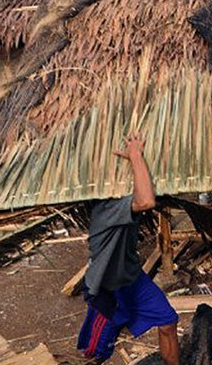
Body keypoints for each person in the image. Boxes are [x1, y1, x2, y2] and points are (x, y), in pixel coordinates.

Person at [77, 134, 180, 364]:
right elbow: (146, 201)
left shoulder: (120, 200)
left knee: (168, 321)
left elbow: (147, 194)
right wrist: (135, 155)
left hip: (133, 280)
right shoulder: (105, 209)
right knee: (97, 351)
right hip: (107, 289)